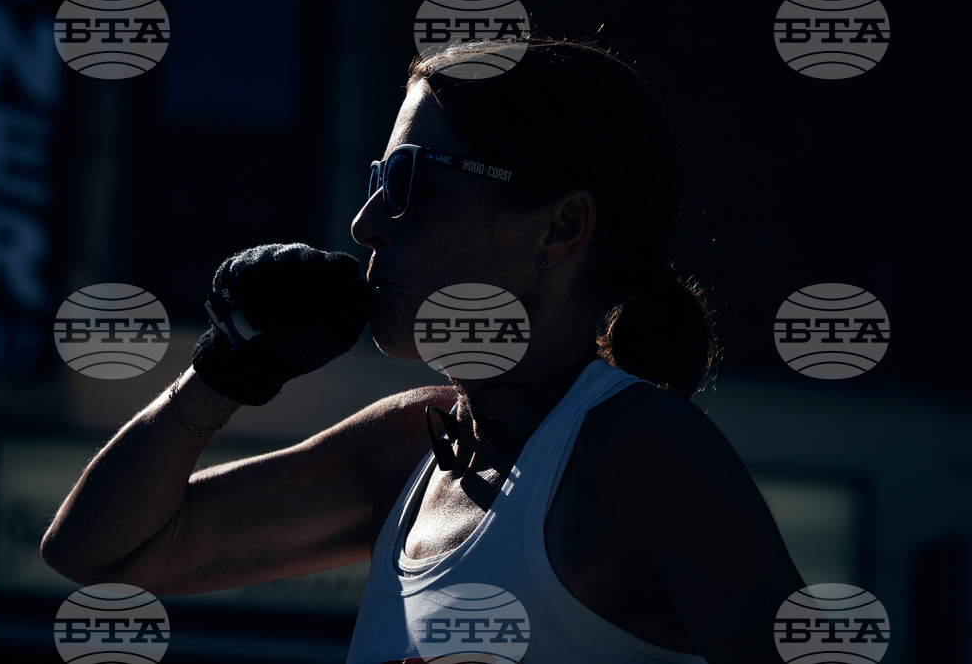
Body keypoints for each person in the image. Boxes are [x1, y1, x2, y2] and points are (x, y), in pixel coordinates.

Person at [41, 38, 805, 663]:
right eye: (378, 180)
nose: (366, 223)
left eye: (412, 183)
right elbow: (98, 554)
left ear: (560, 228)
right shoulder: (410, 444)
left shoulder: (642, 452)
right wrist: (225, 370)